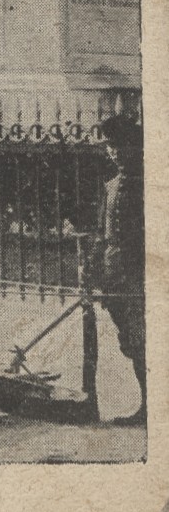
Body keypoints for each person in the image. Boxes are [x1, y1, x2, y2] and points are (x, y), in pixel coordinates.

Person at [97, 112, 146, 426]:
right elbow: (104, 234)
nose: (113, 151)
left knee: (144, 339)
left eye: (119, 144)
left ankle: (150, 407)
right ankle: (147, 404)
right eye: (109, 145)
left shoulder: (148, 183)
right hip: (114, 274)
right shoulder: (111, 185)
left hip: (137, 276)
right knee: (128, 339)